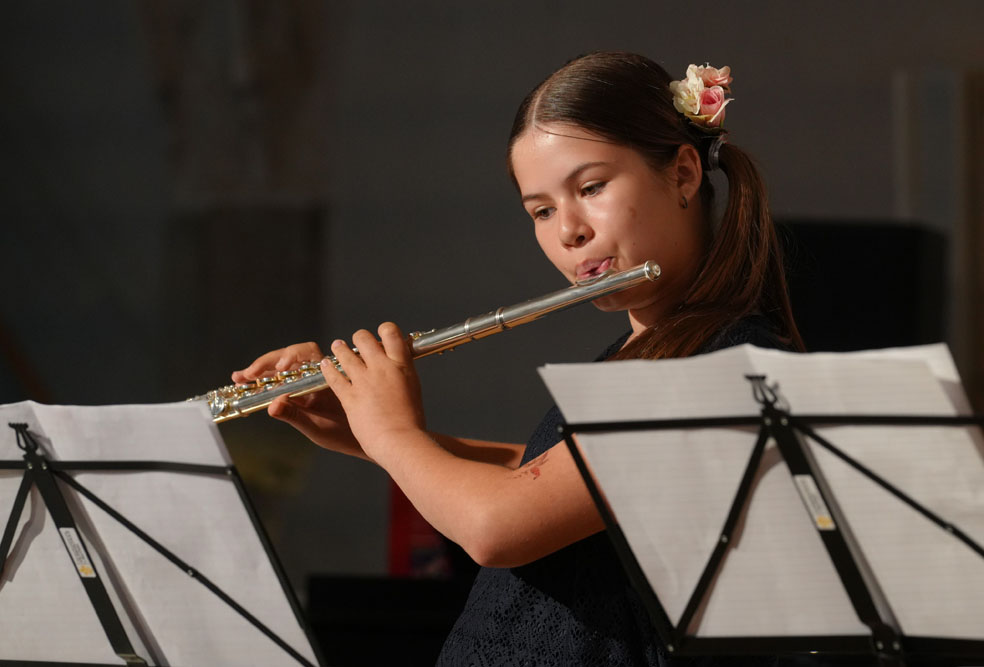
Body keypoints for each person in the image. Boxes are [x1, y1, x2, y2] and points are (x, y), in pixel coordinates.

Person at [233, 52, 805, 666]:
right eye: (542, 210)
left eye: (591, 188)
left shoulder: (722, 367)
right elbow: (550, 477)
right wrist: (367, 434)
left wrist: (393, 434)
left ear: (685, 174)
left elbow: (498, 528)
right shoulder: (644, 354)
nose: (568, 231)